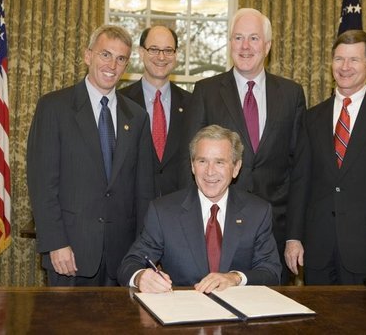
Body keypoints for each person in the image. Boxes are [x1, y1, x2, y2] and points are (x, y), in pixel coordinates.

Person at [285, 30, 366, 285]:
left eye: (354, 60)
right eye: (339, 59)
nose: (345, 67)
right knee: (317, 324)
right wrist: (293, 237)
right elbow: (300, 180)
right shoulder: (311, 117)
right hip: (317, 251)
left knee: (365, 324)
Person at [183, 8, 306, 284]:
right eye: (238, 38)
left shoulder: (291, 94)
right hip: (216, 230)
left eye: (253, 38)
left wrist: (295, 235)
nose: (245, 46)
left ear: (268, 46)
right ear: (230, 45)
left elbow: (299, 169)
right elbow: (190, 162)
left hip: (274, 229)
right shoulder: (206, 91)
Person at [27, 24, 155, 286]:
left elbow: (144, 192)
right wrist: (56, 243)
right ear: (88, 56)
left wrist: (143, 251)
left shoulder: (138, 117)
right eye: (105, 54)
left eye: (121, 59)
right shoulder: (54, 108)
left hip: (122, 257)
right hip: (69, 253)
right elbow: (42, 184)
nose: (112, 65)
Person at [118, 125, 281, 293]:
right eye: (202, 161)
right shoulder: (164, 212)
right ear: (192, 165)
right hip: (183, 313)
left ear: (236, 168)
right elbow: (129, 264)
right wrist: (140, 277)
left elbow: (271, 272)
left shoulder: (258, 212)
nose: (210, 172)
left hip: (237, 315)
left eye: (219, 162)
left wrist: (234, 278)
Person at [120, 26, 191, 197]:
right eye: (153, 49)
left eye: (168, 50)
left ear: (175, 55)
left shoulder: (192, 103)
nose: (161, 57)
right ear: (141, 52)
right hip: (131, 207)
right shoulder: (121, 101)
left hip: (178, 207)